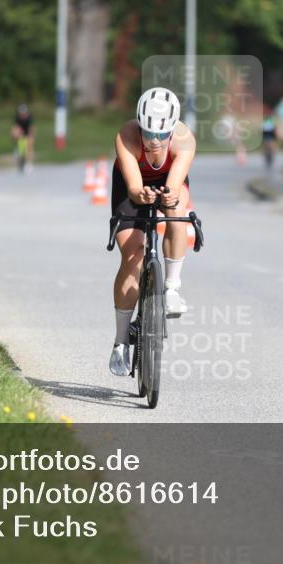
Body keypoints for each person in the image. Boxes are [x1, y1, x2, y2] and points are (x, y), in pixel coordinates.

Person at [108, 87, 196, 377]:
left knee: (176, 212)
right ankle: (121, 341)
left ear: (172, 129)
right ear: (139, 125)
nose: (154, 141)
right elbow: (134, 187)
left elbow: (174, 185)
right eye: (148, 133)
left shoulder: (184, 139)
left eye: (161, 134)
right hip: (131, 184)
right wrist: (140, 194)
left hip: (167, 180)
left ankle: (172, 287)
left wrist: (168, 196)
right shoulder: (126, 136)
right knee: (133, 254)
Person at [10, 104, 35, 173]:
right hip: (21, 134)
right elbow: (16, 128)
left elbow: (31, 129)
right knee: (21, 150)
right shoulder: (17, 118)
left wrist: (31, 137)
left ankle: (29, 163)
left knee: (29, 147)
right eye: (20, 113)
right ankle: (20, 159)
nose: (22, 115)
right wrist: (15, 136)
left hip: (28, 133)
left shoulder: (29, 118)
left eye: (23, 113)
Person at [261, 107, 277, 171]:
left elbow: (262, 131)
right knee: (270, 150)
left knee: (267, 150)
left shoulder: (265, 122)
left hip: (267, 138)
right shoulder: (270, 122)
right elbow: (274, 131)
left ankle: (268, 161)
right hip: (270, 138)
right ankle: (270, 160)